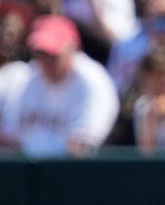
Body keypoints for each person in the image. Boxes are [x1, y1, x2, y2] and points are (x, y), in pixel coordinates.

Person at [3, 15, 119, 157]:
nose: (45, 60)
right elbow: (8, 139)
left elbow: (82, 148)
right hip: (25, 171)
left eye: (52, 54)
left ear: (73, 47)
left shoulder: (92, 81)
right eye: (40, 53)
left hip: (69, 172)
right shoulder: (23, 77)